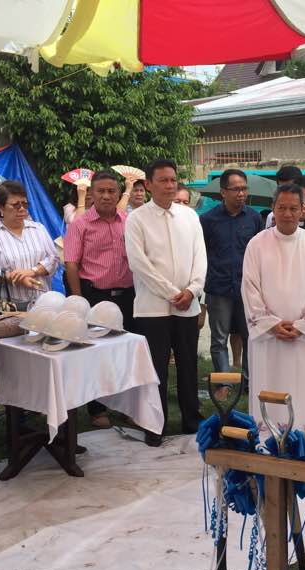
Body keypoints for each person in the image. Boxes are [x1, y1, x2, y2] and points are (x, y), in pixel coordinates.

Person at [125, 159, 207, 447]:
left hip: (188, 306)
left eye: (173, 180)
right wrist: (174, 293)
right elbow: (140, 264)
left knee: (188, 366)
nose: (170, 185)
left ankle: (191, 420)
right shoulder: (136, 219)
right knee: (155, 369)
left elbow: (201, 258)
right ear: (148, 185)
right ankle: (154, 426)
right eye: (163, 180)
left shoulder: (190, 216)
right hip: (152, 308)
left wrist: (193, 290)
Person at [242, 184, 305, 433]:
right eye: (282, 208)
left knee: (300, 391)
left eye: (293, 208)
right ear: (273, 209)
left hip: (301, 337)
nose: (288, 214)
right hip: (267, 337)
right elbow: (249, 288)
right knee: (267, 390)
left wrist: (303, 325)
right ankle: (264, 446)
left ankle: (299, 442)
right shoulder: (256, 244)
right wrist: (270, 324)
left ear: (302, 211)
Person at [64, 170, 135, 429]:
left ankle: (128, 406)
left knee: (126, 352)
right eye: (101, 191)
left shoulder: (128, 221)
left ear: (118, 193)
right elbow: (71, 264)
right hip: (94, 296)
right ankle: (97, 409)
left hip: (127, 295)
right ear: (92, 194)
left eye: (111, 191)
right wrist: (78, 301)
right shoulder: (80, 224)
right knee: (96, 354)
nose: (106, 196)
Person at [200, 169, 263, 399]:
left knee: (250, 337)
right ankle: (224, 384)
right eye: (236, 189)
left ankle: (247, 383)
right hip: (218, 287)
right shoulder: (207, 220)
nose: (241, 193)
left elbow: (260, 254)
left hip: (247, 289)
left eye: (244, 188)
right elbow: (201, 254)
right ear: (223, 192)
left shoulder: (254, 218)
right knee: (219, 338)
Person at [0, 180, 60, 307]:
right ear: (1, 207)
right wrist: (15, 278)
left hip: (42, 303)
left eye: (25, 204)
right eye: (16, 205)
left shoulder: (38, 229)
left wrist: (32, 271)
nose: (22, 209)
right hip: (10, 307)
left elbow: (53, 258)